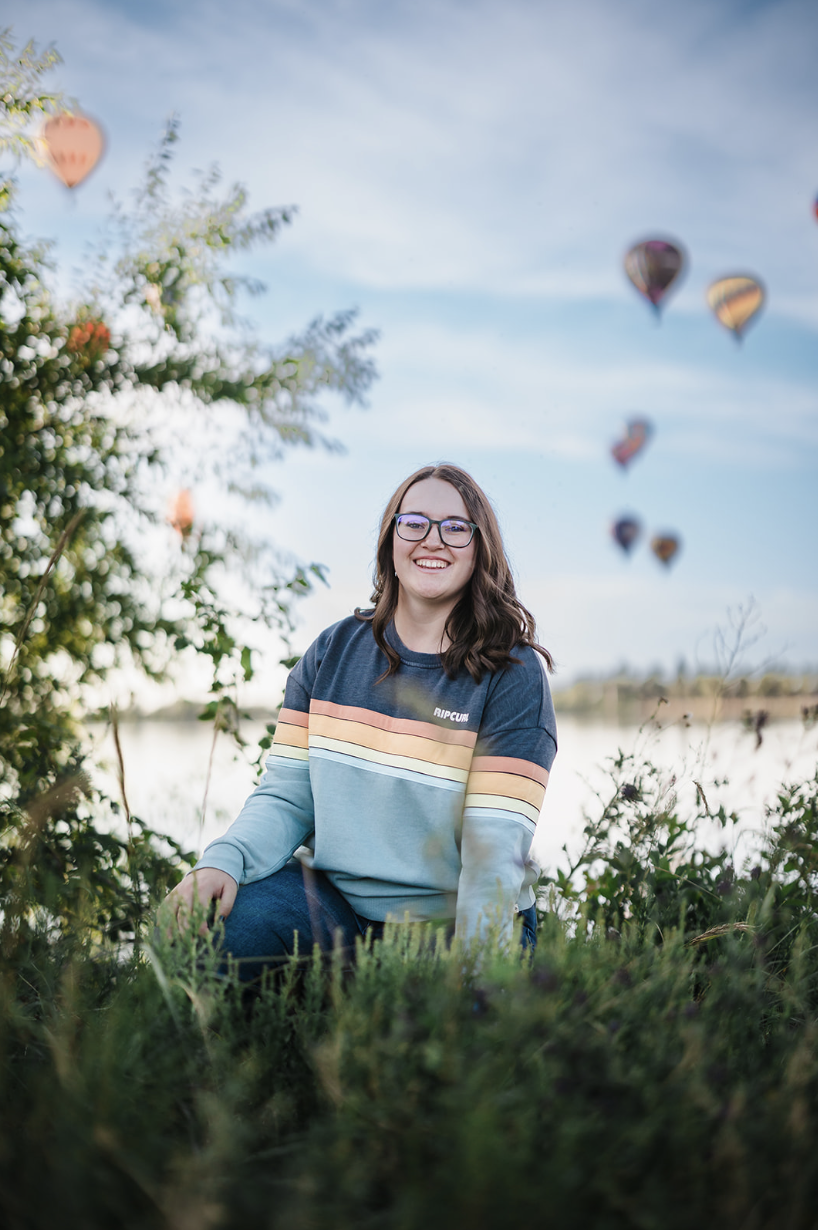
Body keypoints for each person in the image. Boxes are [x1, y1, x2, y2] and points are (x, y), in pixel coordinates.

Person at [162, 463, 557, 978]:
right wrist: (222, 860)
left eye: (456, 527)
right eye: (412, 522)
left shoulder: (512, 674)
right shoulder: (333, 652)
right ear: (390, 543)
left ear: (480, 550)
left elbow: (493, 857)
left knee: (421, 1038)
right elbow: (286, 796)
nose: (432, 539)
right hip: (335, 905)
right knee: (217, 934)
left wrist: (474, 979)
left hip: (450, 921)